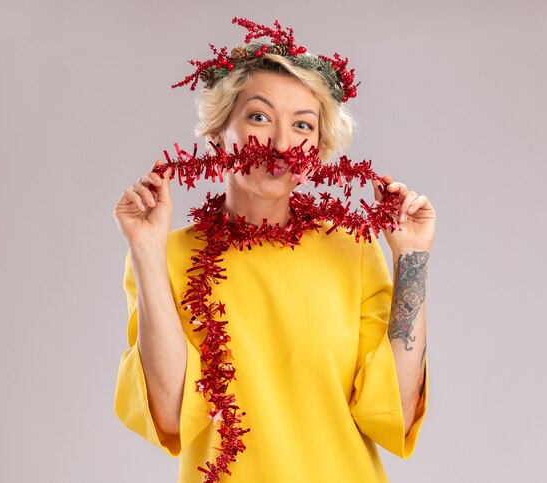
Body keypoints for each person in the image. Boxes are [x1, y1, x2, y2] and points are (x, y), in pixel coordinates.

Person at [112, 17, 436, 483]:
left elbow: (393, 414)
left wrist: (413, 259)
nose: (281, 143)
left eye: (302, 125)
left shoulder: (353, 251)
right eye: (259, 116)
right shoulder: (171, 258)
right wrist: (145, 249)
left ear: (318, 146)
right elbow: (168, 413)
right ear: (220, 128)